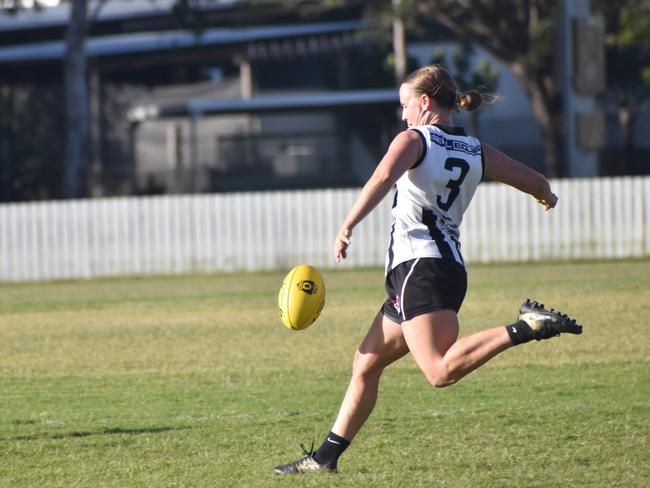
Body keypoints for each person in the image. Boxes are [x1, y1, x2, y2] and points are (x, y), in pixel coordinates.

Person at [272, 65, 583, 475]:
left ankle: (525, 327)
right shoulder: (478, 150)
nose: (402, 115)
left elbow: (384, 175)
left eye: (405, 105)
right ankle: (325, 458)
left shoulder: (414, 139)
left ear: (423, 103)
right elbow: (536, 180)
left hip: (420, 267)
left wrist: (347, 225)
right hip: (443, 268)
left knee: (439, 371)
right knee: (365, 363)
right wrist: (546, 195)